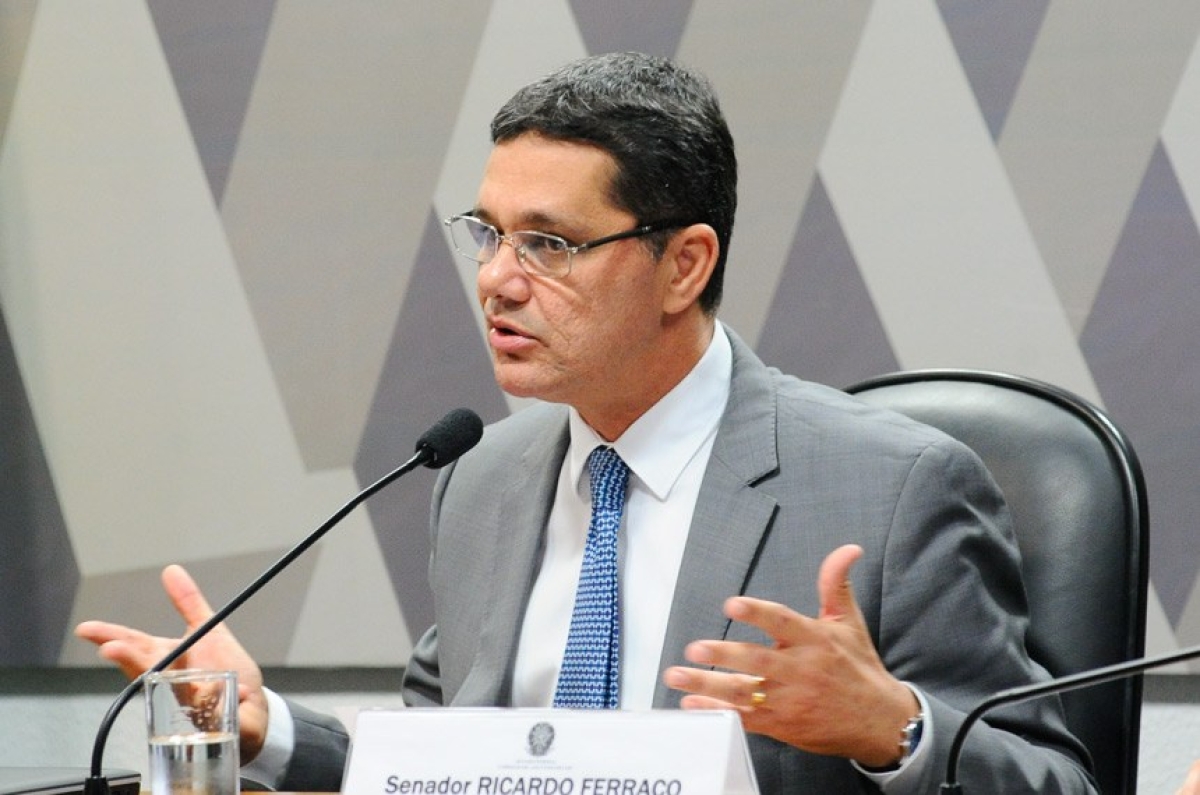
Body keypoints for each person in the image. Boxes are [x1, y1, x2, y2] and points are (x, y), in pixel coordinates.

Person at [77, 52, 1097, 793]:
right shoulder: (481, 480)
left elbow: (1052, 781)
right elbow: (461, 769)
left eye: (550, 244)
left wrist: (892, 730)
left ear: (684, 265)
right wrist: (270, 735)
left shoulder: (894, 488)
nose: (496, 282)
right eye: (488, 234)